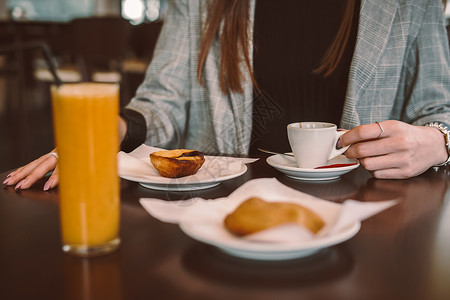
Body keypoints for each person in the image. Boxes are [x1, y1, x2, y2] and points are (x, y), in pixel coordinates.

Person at [3, 0, 450, 191]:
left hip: (369, 205)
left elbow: (440, 109)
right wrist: (97, 134)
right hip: (220, 203)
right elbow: (161, 101)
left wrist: (439, 142)